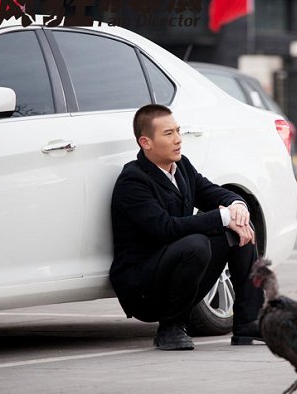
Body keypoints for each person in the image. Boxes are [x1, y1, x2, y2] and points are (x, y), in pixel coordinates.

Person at [109, 104, 264, 351]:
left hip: (177, 274)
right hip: (143, 289)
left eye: (178, 131)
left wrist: (237, 206)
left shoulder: (182, 167)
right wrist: (222, 217)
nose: (178, 140)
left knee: (240, 229)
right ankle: (170, 328)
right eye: (168, 134)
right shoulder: (133, 180)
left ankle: (248, 323)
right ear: (146, 142)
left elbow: (211, 191)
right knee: (196, 244)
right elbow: (166, 228)